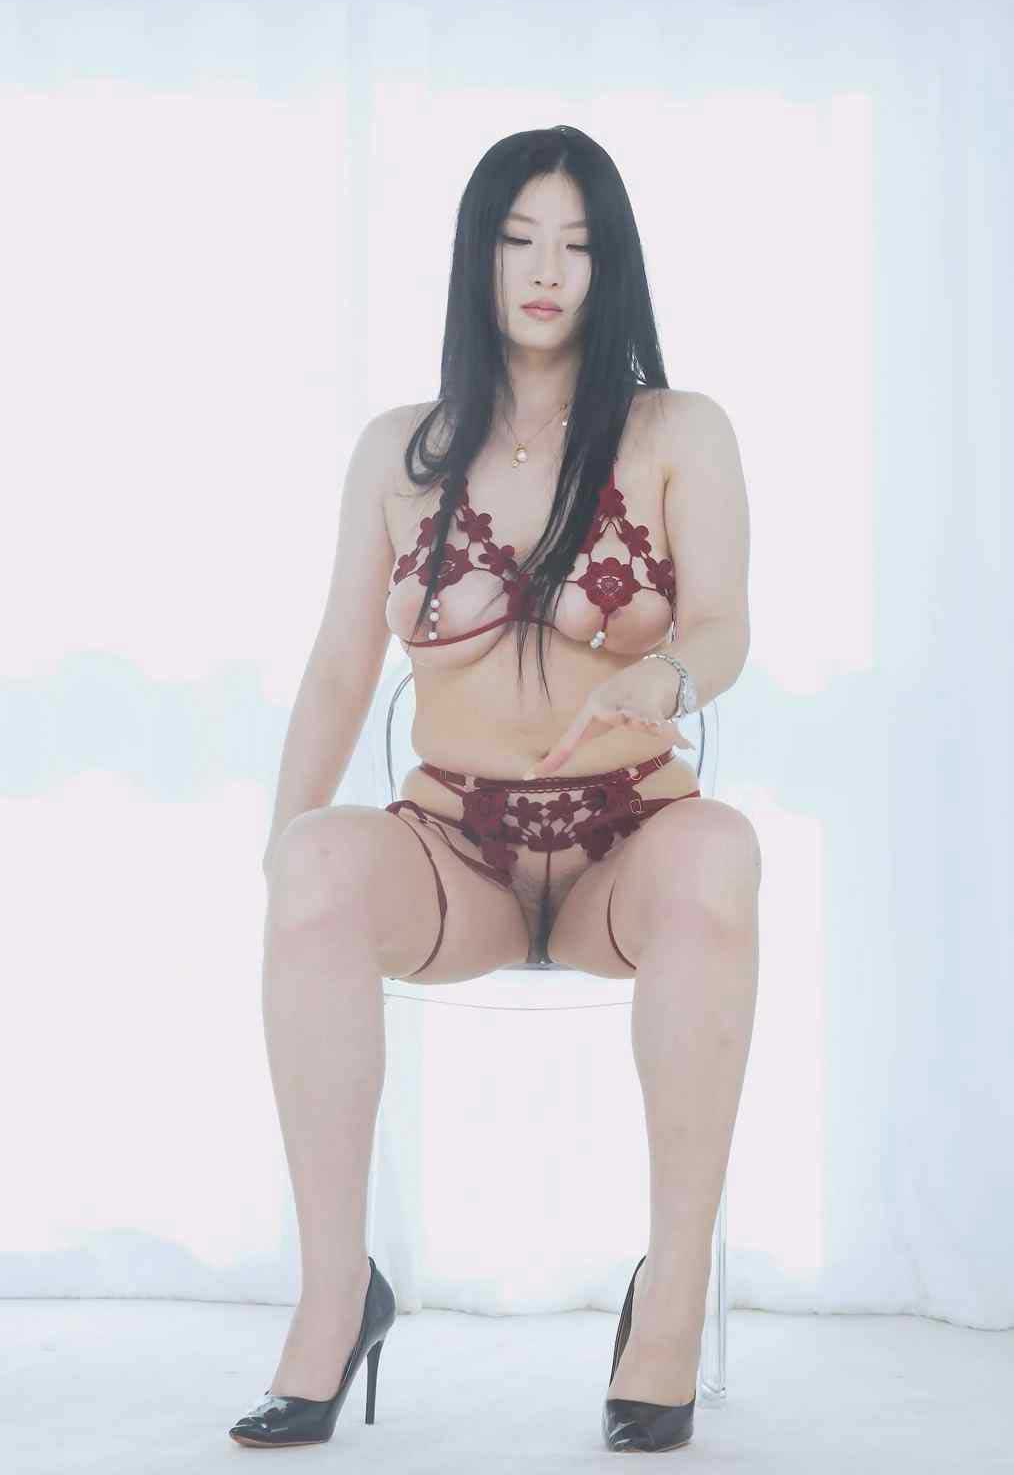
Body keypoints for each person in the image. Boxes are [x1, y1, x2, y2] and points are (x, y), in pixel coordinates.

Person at [229, 125, 759, 1452]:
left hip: (629, 850)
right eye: (520, 238)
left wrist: (667, 679)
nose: (547, 269)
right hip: (453, 855)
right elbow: (340, 669)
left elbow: (725, 627)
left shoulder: (678, 432)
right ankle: (335, 1298)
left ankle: (670, 1299)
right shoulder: (398, 452)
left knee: (725, 848)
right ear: (477, 256)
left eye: (578, 244)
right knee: (315, 864)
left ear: (612, 265)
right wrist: (286, 855)